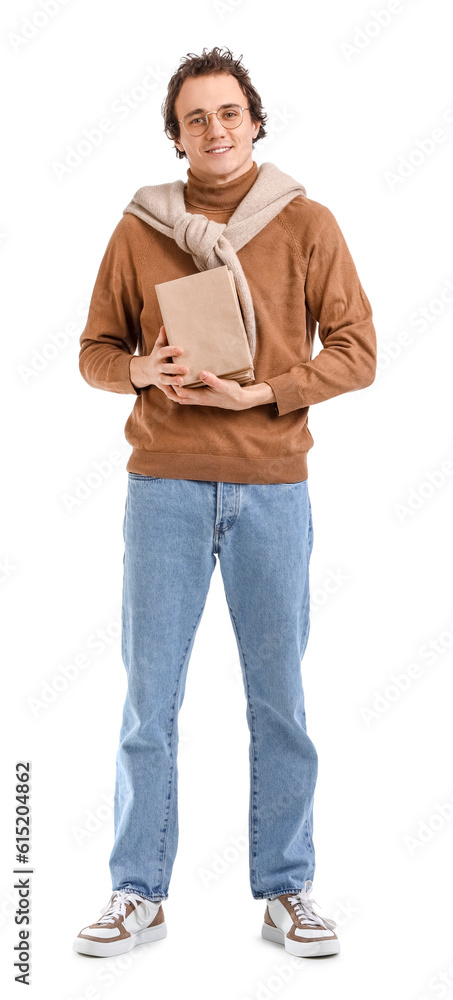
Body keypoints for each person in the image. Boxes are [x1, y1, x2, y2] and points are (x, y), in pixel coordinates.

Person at [73, 45, 376, 960]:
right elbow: (94, 350)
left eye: (229, 113)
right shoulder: (140, 229)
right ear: (176, 135)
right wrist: (140, 367)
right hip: (161, 485)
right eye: (195, 117)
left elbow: (358, 350)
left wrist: (267, 392)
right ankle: (137, 892)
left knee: (278, 700)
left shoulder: (308, 222)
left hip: (271, 490)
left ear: (255, 121)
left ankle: (286, 891)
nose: (215, 130)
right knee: (146, 705)